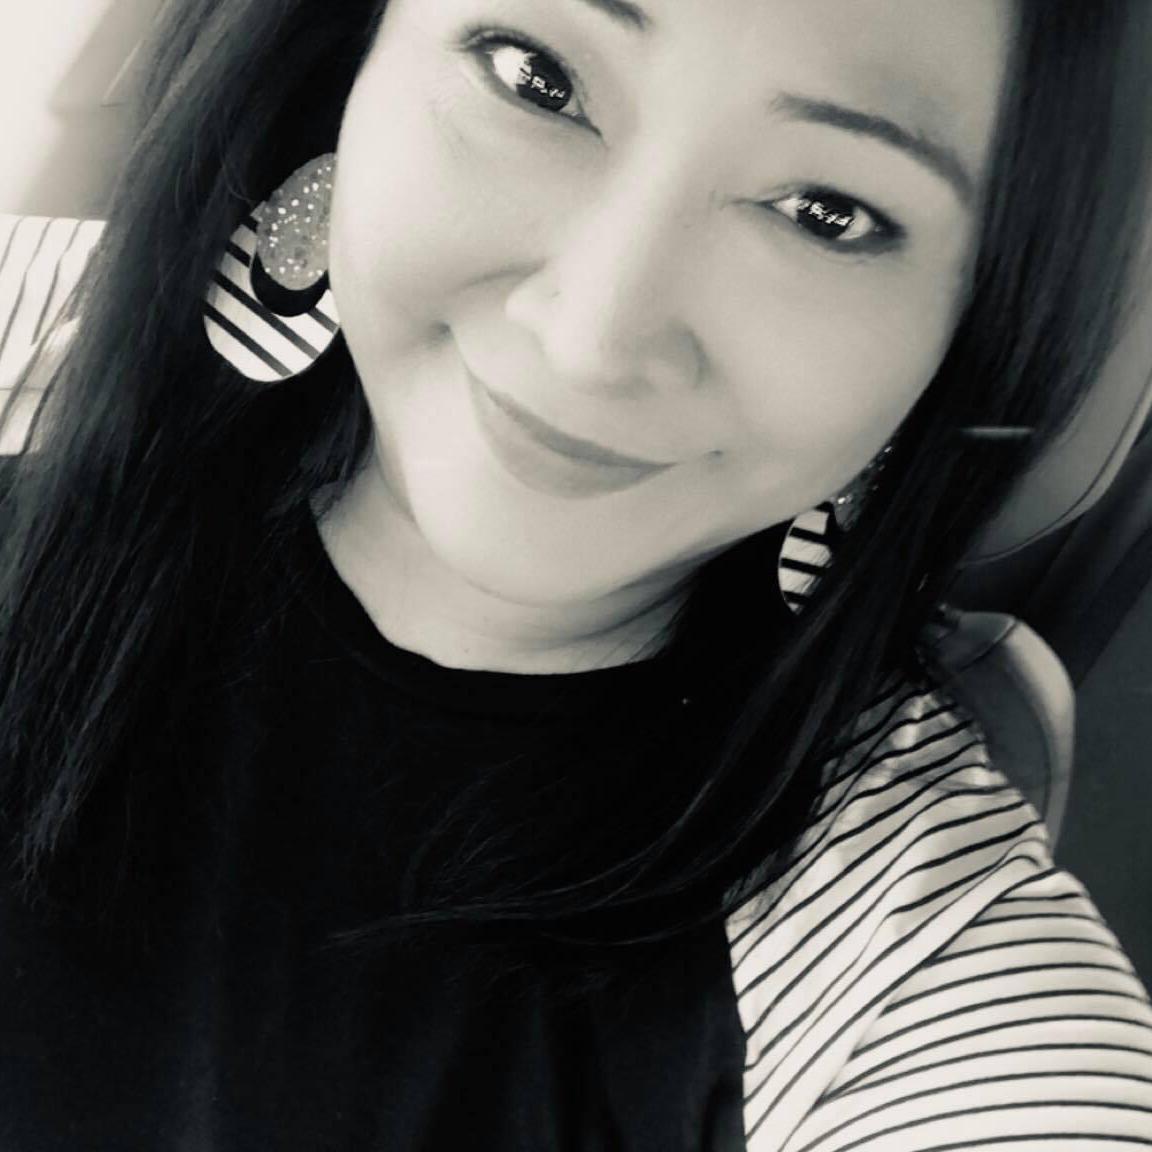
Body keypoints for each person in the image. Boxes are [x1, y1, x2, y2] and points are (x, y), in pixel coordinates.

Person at [1, 0, 1151, 1147]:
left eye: (824, 212)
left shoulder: (909, 956)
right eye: (535, 78)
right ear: (353, 54)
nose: (592, 339)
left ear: (969, 326)